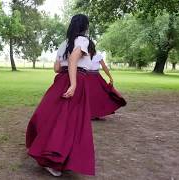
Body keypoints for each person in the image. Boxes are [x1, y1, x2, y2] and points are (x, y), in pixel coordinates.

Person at [26, 14, 95, 177]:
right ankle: (54, 159)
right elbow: (73, 60)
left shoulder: (64, 43)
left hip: (61, 80)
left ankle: (51, 154)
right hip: (75, 80)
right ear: (85, 26)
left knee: (56, 118)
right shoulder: (83, 41)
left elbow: (57, 67)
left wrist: (69, 78)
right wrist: (73, 83)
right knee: (70, 121)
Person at [87, 40, 126, 120]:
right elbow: (104, 67)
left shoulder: (89, 55)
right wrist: (110, 77)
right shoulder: (93, 55)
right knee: (98, 95)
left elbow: (104, 67)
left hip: (90, 77)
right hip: (93, 77)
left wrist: (110, 77)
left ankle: (93, 114)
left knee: (92, 95)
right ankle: (93, 114)